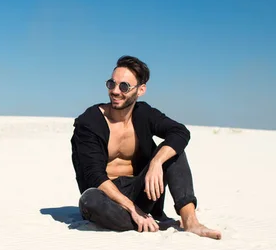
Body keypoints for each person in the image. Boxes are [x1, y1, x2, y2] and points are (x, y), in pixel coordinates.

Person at [70, 55, 221, 239]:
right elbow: (94, 176)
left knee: (173, 150)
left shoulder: (144, 114)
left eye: (124, 86)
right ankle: (145, 221)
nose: (115, 91)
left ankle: (190, 222)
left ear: (140, 90)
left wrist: (156, 162)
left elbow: (180, 132)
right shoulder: (89, 122)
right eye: (111, 84)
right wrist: (133, 209)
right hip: (107, 198)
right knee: (89, 200)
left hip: (140, 192)